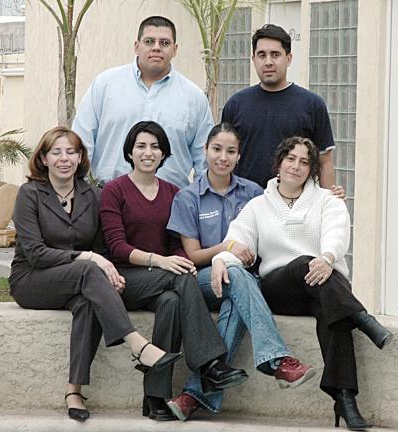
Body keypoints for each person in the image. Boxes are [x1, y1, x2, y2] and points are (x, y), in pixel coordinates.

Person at [211, 136, 393, 431]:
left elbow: (336, 233)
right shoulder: (258, 206)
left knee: (334, 318)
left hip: (320, 286)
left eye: (304, 162)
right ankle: (362, 316)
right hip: (279, 289)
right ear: (279, 163)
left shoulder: (326, 200)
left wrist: (328, 256)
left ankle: (345, 400)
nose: (296, 166)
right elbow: (236, 239)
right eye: (290, 158)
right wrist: (222, 259)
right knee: (301, 263)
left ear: (312, 170)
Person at [9, 126, 184, 422]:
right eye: (56, 152)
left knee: (89, 303)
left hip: (77, 282)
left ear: (80, 158)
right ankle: (137, 345)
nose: (64, 158)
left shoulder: (93, 195)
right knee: (89, 268)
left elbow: (101, 249)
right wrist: (88, 258)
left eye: (71, 152)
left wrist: (105, 270)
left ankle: (73, 390)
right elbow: (36, 254)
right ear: (44, 158)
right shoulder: (30, 194)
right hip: (33, 280)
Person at [99, 120, 247, 421]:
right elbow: (117, 247)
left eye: (155, 146)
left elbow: (177, 243)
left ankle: (155, 397)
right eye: (141, 146)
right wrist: (161, 261)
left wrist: (182, 261)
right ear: (129, 152)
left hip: (163, 282)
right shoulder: (114, 190)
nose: (148, 152)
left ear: (164, 153)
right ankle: (209, 363)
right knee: (179, 279)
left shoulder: (171, 192)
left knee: (172, 302)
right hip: (124, 279)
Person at [166, 123, 315, 421]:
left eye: (231, 151)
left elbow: (293, 202)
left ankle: (192, 395)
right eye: (217, 149)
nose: (223, 157)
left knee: (238, 295)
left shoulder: (253, 193)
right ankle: (276, 358)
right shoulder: (188, 197)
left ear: (239, 157)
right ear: (205, 151)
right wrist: (228, 247)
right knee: (237, 279)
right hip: (205, 281)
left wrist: (330, 193)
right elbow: (194, 256)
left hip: (245, 282)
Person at [72, 15, 213, 188]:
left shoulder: (194, 98)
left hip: (171, 205)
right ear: (136, 46)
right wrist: (81, 192)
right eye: (149, 41)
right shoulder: (105, 85)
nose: (156, 48)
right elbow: (82, 140)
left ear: (175, 49)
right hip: (106, 199)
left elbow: (204, 159)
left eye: (164, 43)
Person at [222, 24, 337, 190]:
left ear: (288, 58)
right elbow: (224, 157)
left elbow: (324, 161)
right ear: (253, 59)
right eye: (261, 55)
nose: (268, 62)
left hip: (296, 205)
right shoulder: (235, 105)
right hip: (244, 205)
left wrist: (329, 207)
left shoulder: (312, 105)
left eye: (275, 55)